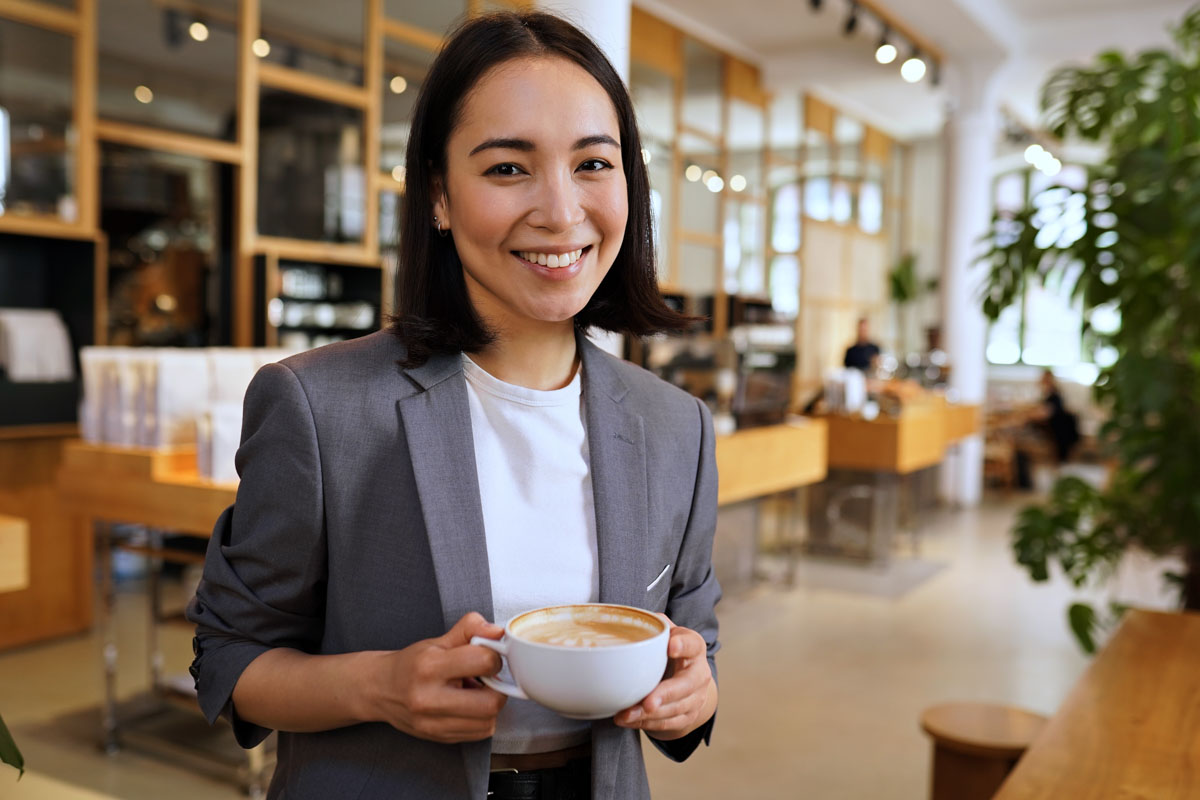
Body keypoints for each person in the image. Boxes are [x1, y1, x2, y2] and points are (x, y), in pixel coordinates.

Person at [186, 11, 720, 800]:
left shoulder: (676, 425)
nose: (562, 210)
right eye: (508, 169)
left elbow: (694, 638)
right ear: (439, 194)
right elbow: (230, 656)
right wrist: (380, 687)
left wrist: (693, 692)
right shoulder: (321, 407)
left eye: (594, 164)